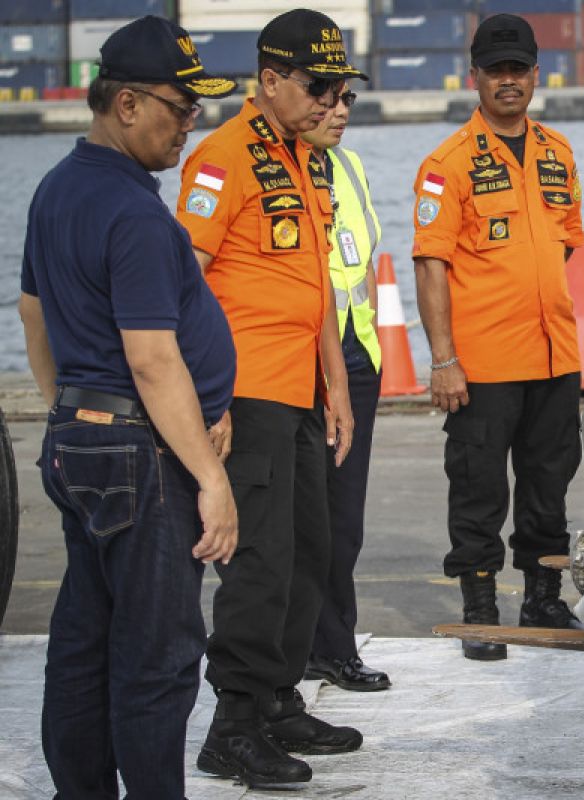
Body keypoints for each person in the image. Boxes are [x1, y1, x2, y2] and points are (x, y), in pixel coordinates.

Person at [17, 16, 238, 798]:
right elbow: (151, 358)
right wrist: (208, 476)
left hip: (84, 440)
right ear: (130, 104)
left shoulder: (57, 189)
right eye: (182, 108)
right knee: (159, 652)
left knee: (86, 636)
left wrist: (72, 411)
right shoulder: (137, 213)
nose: (191, 125)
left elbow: (33, 313)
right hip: (142, 456)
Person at [174, 9, 366, 787]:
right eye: (318, 86)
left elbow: (312, 281)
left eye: (338, 87)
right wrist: (205, 399)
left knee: (308, 552)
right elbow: (183, 281)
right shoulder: (224, 157)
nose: (330, 101)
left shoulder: (305, 159)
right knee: (260, 562)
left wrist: (338, 385)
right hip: (245, 391)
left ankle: (281, 700)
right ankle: (234, 723)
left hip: (299, 389)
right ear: (271, 80)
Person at [412, 13, 584, 662]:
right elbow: (431, 265)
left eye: (518, 70)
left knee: (548, 487)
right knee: (479, 488)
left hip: (553, 355)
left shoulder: (558, 153)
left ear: (536, 75)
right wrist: (444, 360)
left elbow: (564, 244)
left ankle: (543, 596)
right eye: (496, 71)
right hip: (481, 364)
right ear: (475, 77)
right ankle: (480, 608)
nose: (508, 81)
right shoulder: (447, 165)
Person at [300, 87, 391, 692]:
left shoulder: (349, 166)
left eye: (348, 99)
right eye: (328, 100)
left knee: (343, 522)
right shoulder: (271, 168)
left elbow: (357, 269)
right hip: (300, 365)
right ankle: (305, 648)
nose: (340, 112)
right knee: (299, 521)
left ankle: (332, 647)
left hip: (356, 360)